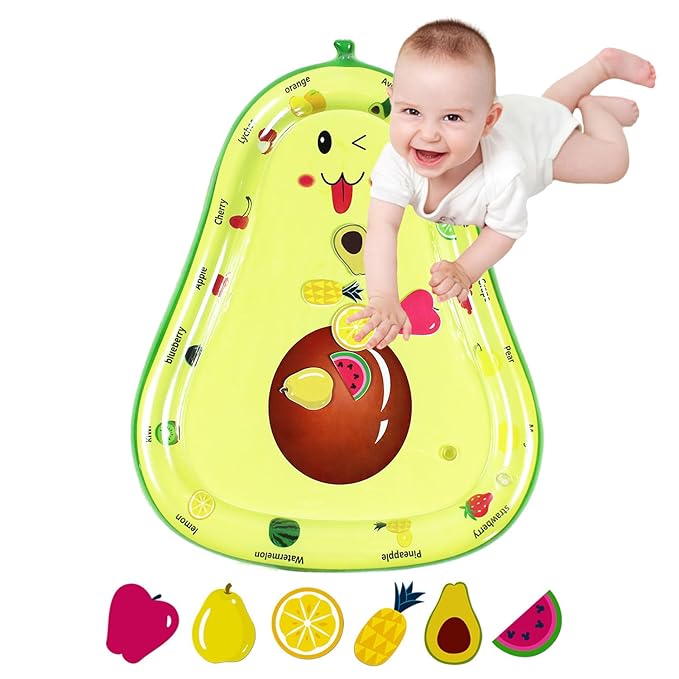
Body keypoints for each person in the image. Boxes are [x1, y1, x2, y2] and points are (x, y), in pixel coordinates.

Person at [349, 18, 655, 350]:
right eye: (411, 111)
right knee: (549, 110)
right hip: (526, 118)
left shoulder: (504, 171)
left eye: (452, 118)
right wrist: (383, 297)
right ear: (392, 101)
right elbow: (383, 225)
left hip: (540, 146)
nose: (428, 133)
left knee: (611, 162)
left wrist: (464, 269)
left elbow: (502, 230)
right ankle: (599, 66)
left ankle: (594, 107)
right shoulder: (396, 160)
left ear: (487, 122)